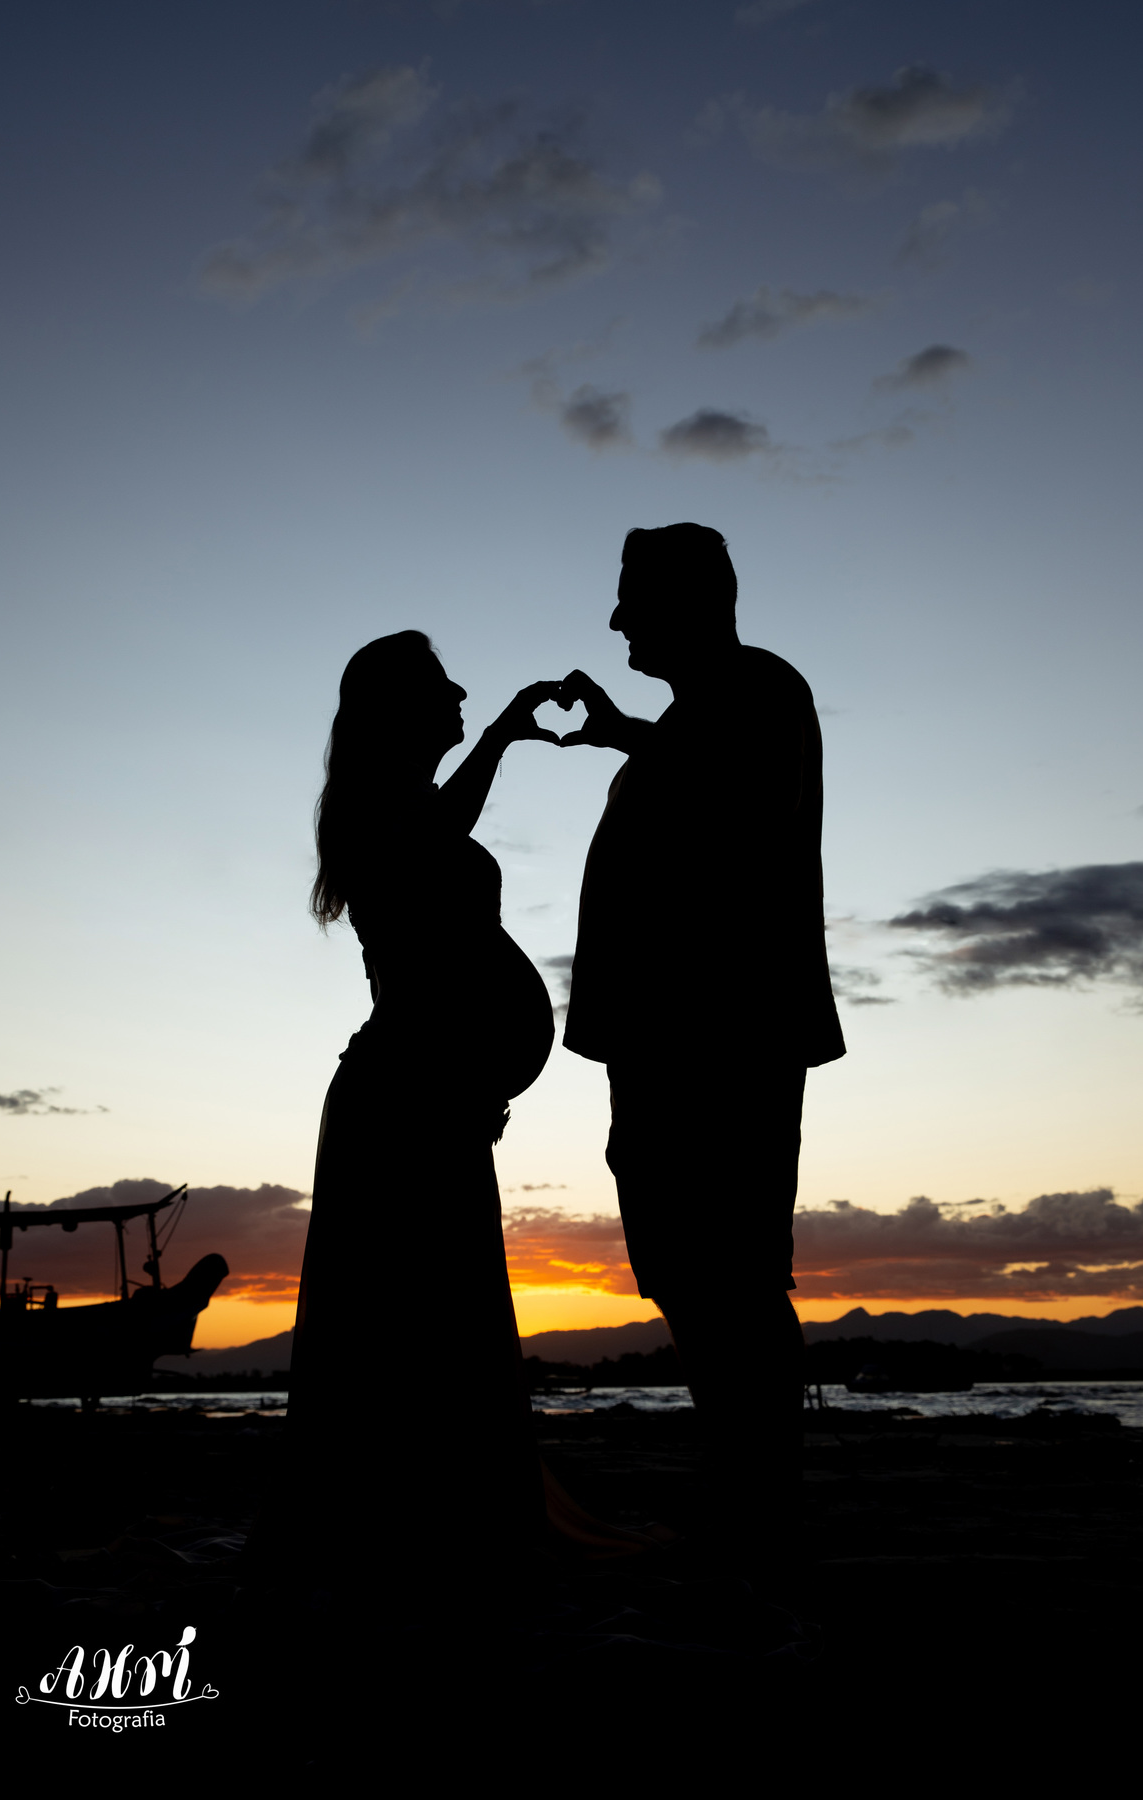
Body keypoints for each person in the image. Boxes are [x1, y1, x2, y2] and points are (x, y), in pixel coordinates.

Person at [557, 523, 845, 1590]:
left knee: (728, 1271)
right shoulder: (698, 716)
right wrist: (625, 735)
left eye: (633, 600)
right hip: (668, 1039)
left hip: (722, 1036)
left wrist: (630, 737)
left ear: (692, 601)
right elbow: (700, 773)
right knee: (689, 1266)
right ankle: (744, 1497)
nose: (616, 620)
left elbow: (738, 796)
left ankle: (757, 1512)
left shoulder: (761, 689)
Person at [283, 631, 562, 1601]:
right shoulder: (383, 813)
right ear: (401, 708)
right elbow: (436, 845)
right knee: (411, 1321)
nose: (461, 691)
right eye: (443, 683)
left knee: (439, 1315)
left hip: (428, 1090)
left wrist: (502, 733)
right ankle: (411, 1540)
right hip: (403, 1096)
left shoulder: (405, 805)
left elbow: (444, 832)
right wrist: (503, 733)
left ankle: (437, 1530)